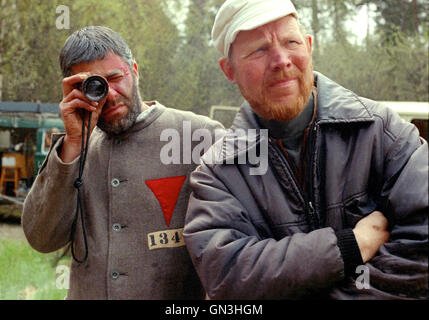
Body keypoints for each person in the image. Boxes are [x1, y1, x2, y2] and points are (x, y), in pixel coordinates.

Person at [183, 0, 428, 299]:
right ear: (228, 70)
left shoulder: (381, 131)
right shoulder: (218, 174)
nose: (281, 60)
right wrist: (350, 246)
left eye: (291, 42)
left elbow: (422, 244)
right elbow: (228, 274)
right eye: (259, 49)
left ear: (309, 46)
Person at [22, 26, 223, 299]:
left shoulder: (199, 136)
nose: (111, 95)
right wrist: (72, 145)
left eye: (115, 78)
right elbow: (42, 238)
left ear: (135, 71)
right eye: (95, 86)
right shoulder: (75, 149)